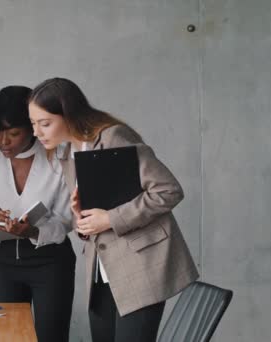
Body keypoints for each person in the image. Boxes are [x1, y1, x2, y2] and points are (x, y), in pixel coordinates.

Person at [28, 78, 199, 342]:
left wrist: (109, 219)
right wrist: (81, 219)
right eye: (33, 124)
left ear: (69, 115)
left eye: (45, 123)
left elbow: (168, 190)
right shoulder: (67, 154)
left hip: (140, 266)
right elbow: (100, 209)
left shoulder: (113, 137)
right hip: (102, 272)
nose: (37, 132)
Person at [0, 86, 75, 342]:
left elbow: (66, 220)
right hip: (1, 262)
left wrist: (32, 231)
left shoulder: (60, 157)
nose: (3, 141)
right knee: (6, 338)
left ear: (32, 128)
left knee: (51, 337)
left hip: (50, 262)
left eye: (13, 133)